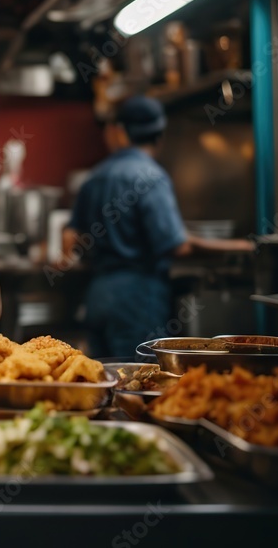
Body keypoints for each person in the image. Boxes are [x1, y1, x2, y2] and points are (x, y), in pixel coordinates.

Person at [59, 95, 253, 358]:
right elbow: (179, 246)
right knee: (138, 380)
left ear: (121, 132)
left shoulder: (95, 176)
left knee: (101, 382)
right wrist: (239, 246)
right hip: (137, 299)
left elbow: (70, 237)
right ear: (159, 137)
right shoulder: (151, 176)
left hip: (98, 296)